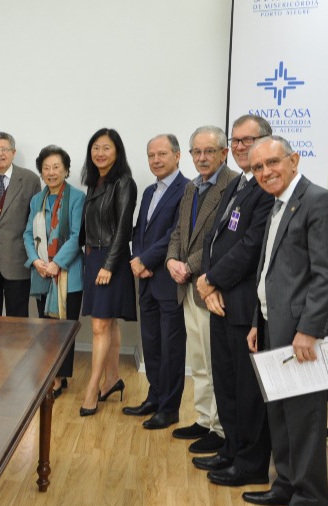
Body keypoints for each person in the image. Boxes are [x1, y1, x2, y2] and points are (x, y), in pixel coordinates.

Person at [244, 135, 328, 506]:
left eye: (273, 163)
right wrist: (258, 320)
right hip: (275, 329)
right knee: (281, 414)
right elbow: (269, 270)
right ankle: (286, 484)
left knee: (304, 420)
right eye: (257, 167)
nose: (266, 172)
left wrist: (309, 330)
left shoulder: (320, 203)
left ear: (293, 159)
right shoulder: (276, 205)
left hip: (305, 337)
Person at [194, 116, 275, 486]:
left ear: (266, 142)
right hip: (220, 301)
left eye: (248, 140)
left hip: (243, 306)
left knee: (247, 391)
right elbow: (214, 238)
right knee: (225, 383)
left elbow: (250, 247)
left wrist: (211, 280)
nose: (240, 146)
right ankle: (231, 448)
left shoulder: (264, 188)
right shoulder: (237, 184)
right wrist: (210, 286)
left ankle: (251, 464)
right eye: (237, 140)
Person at [164, 127, 237, 453]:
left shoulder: (233, 185)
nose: (202, 157)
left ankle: (220, 428)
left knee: (213, 361)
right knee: (198, 360)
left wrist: (189, 266)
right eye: (197, 152)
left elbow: (216, 240)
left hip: (209, 286)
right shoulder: (192, 187)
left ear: (224, 153)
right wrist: (170, 261)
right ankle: (205, 418)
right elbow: (180, 231)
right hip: (186, 286)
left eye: (209, 151)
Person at [125, 134, 187, 429]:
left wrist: (146, 261)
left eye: (162, 154)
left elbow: (175, 234)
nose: (156, 160)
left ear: (177, 156)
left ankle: (169, 407)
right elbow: (140, 231)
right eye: (151, 155)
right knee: (150, 343)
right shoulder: (149, 191)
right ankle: (154, 395)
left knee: (171, 346)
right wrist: (138, 260)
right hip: (146, 280)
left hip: (168, 281)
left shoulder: (187, 189)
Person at [79, 128, 137, 417]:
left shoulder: (124, 182)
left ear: (117, 152)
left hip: (109, 258)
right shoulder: (95, 183)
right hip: (94, 258)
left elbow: (123, 228)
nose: (100, 153)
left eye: (106, 148)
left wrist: (108, 266)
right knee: (109, 324)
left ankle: (92, 388)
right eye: (95, 148)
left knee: (100, 326)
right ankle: (112, 378)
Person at [24, 145, 85, 397]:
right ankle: (51, 372)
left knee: (63, 330)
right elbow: (28, 234)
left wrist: (56, 263)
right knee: (46, 329)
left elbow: (76, 235)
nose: (51, 172)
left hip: (67, 275)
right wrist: (36, 261)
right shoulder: (37, 199)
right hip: (42, 274)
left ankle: (60, 377)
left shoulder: (77, 197)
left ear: (66, 170)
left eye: (56, 167)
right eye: (46, 168)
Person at [0, 132, 40, 317]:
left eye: (5, 149)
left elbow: (35, 223)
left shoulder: (30, 180)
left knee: (18, 320)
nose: (0, 154)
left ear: (14, 152)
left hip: (19, 260)